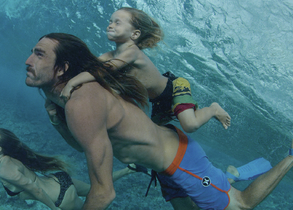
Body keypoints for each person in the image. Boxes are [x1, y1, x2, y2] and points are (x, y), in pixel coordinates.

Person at [24, 33, 293, 210]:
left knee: (240, 208)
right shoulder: (63, 101)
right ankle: (223, 177)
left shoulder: (82, 102)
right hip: (165, 163)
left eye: (39, 54)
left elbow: (104, 193)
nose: (28, 60)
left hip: (179, 159)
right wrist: (56, 120)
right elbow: (85, 145)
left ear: (63, 68)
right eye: (32, 52)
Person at [60, 7, 230, 131]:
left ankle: (213, 109)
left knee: (190, 125)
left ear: (135, 34)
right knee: (154, 133)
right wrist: (66, 71)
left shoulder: (131, 52)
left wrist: (72, 83)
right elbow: (91, 66)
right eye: (110, 22)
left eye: (117, 23)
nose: (110, 25)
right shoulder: (110, 54)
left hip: (175, 87)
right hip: (158, 101)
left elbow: (105, 70)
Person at [0, 128, 138, 210]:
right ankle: (129, 169)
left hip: (61, 199)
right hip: (59, 180)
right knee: (94, 188)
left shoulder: (4, 171)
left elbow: (35, 190)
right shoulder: (10, 156)